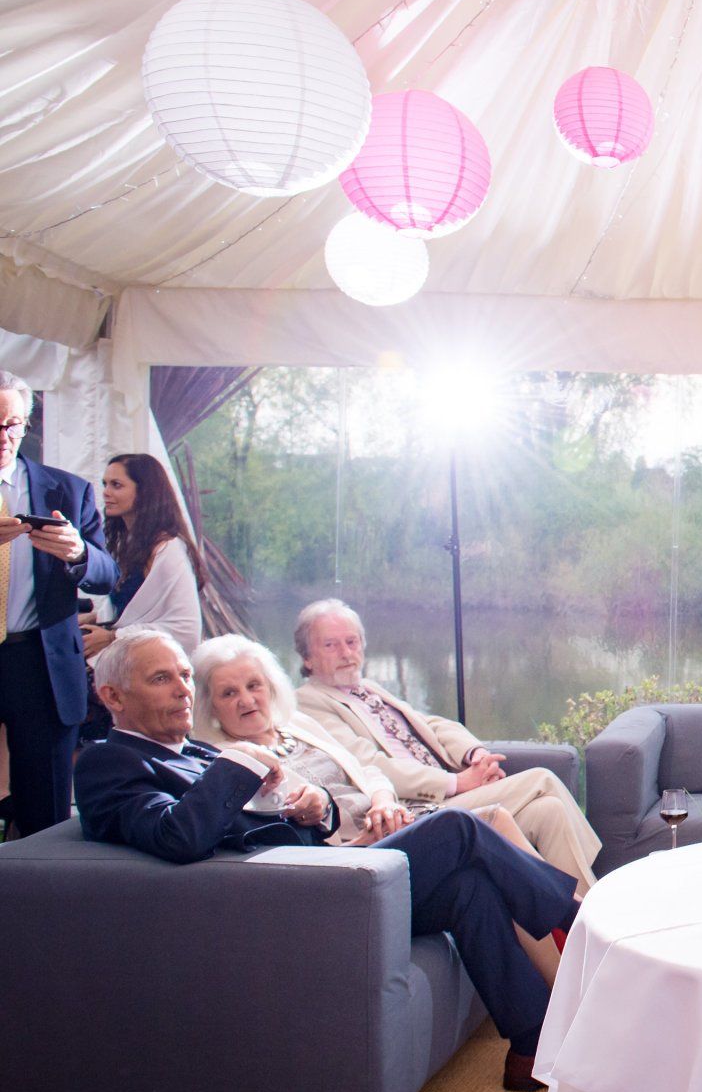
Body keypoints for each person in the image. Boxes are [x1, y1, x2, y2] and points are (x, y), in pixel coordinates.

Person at [75, 627, 578, 1091]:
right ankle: (579, 920)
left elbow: (269, 817)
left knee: (471, 888)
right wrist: (244, 762)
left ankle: (532, 1048)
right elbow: (177, 835)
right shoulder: (110, 763)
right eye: (162, 679)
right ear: (112, 696)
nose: (183, 689)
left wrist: (317, 807)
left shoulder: (194, 755)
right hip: (290, 905)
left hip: (323, 878)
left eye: (184, 676)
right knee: (460, 826)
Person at [191, 633, 563, 986]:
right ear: (210, 706)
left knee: (477, 880)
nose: (247, 700)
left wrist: (385, 802)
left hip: (391, 820)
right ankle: (572, 914)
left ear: (270, 686)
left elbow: (367, 771)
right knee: (478, 821)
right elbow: (287, 844)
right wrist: (358, 842)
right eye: (229, 693)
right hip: (350, 856)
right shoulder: (230, 765)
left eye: (253, 686)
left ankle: (552, 1008)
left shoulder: (296, 725)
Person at [292, 598, 601, 894]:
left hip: (452, 792)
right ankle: (603, 888)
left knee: (549, 810)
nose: (346, 653)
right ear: (307, 657)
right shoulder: (309, 702)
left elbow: (433, 725)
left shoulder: (367, 688)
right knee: (541, 779)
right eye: (331, 645)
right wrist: (457, 782)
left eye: (352, 642)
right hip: (419, 811)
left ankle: (582, 917)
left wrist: (475, 755)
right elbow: (368, 764)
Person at [0, 368, 118, 838]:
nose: (4, 436)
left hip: (39, 662)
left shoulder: (67, 490)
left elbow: (108, 576)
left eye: (13, 424)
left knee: (45, 817)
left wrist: (78, 554)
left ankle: (37, 909)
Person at [77, 452, 207, 740]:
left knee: (70, 694)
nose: (106, 493)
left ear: (144, 491)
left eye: (117, 485)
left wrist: (113, 637)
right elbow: (127, 607)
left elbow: (185, 628)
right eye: (105, 484)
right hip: (121, 654)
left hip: (145, 667)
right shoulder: (126, 543)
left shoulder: (169, 549)